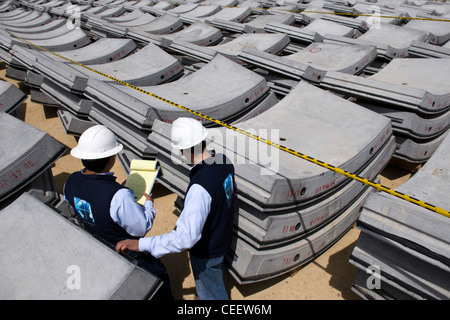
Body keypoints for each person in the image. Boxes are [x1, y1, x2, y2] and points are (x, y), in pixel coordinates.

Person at [116, 117, 236, 300]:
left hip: (207, 253)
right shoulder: (224, 161)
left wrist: (141, 244)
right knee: (215, 282)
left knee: (211, 293)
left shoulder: (199, 188)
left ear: (181, 149)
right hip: (221, 239)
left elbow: (185, 238)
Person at [64, 124, 173, 300]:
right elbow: (140, 228)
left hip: (99, 246)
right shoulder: (119, 196)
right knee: (158, 281)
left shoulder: (71, 181)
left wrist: (117, 192)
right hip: (127, 252)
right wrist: (149, 205)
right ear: (110, 159)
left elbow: (83, 200)